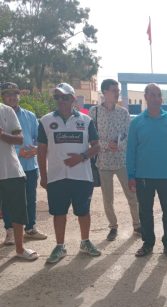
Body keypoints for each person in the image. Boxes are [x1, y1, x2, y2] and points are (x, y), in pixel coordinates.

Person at [37, 83, 101, 264]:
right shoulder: (46, 121)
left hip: (82, 176)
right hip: (57, 176)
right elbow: (41, 150)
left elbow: (97, 146)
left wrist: (81, 157)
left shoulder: (86, 120)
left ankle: (85, 242)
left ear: (73, 99)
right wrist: (44, 176)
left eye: (64, 97)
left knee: (83, 212)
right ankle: (60, 246)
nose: (61, 100)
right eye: (57, 97)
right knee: (59, 213)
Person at [126, 83, 167, 260]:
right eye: (152, 94)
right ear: (146, 97)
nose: (156, 98)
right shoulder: (136, 123)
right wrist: (131, 175)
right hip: (143, 176)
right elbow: (131, 150)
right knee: (145, 212)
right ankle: (148, 243)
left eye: (158, 95)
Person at [89, 79, 140, 241]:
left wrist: (119, 144)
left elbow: (128, 134)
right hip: (103, 162)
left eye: (118, 90)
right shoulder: (94, 112)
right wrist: (106, 145)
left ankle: (137, 225)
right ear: (104, 92)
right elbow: (91, 137)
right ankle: (113, 226)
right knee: (108, 199)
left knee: (132, 195)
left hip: (122, 161)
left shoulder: (123, 112)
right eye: (114, 90)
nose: (117, 93)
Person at [1, 82, 47, 245]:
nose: (12, 97)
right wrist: (19, 151)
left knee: (30, 198)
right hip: (9, 167)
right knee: (8, 201)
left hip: (30, 166)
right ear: (3, 97)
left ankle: (30, 228)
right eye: (8, 94)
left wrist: (35, 149)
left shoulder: (30, 115)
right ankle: (10, 232)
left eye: (15, 94)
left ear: (19, 96)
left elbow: (38, 138)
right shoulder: (2, 114)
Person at [0, 100, 38, 260]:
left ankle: (20, 249)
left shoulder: (6, 111)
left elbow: (19, 139)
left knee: (18, 211)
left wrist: (2, 134)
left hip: (11, 170)